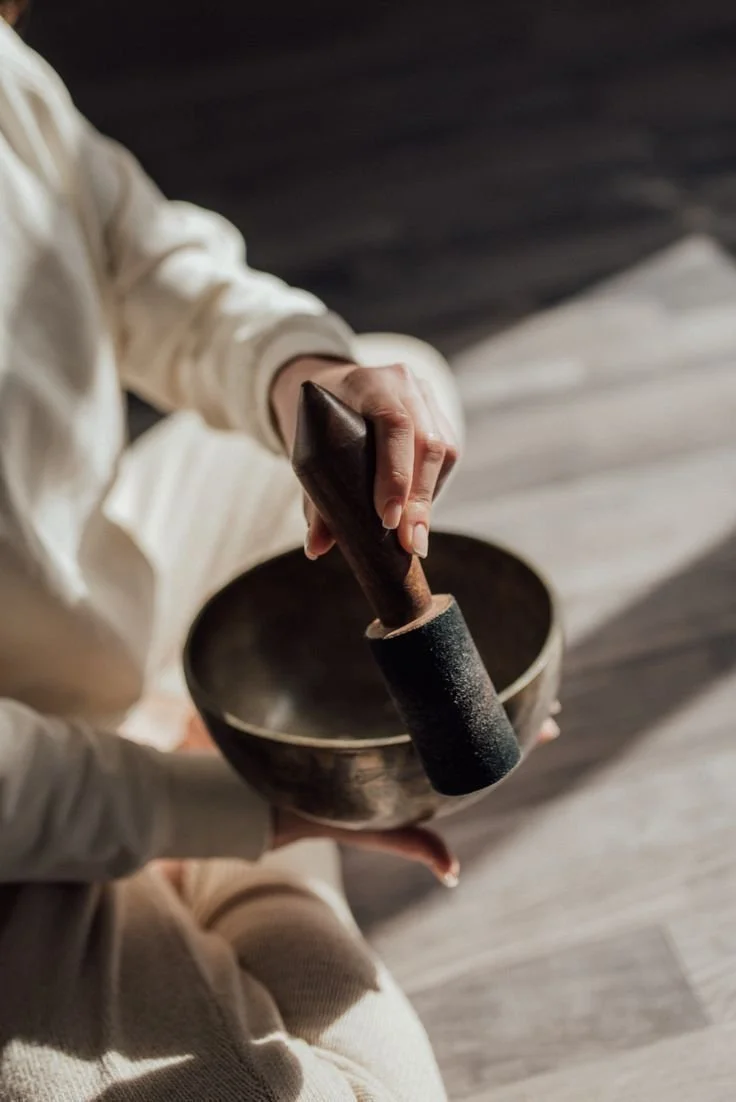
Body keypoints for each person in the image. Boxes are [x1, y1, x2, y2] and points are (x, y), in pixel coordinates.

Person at [0, 5, 559, 1099]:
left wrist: (305, 376)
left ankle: (188, 785)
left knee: (397, 386)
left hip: (82, 625)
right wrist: (249, 810)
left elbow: (145, 265)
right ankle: (234, 833)